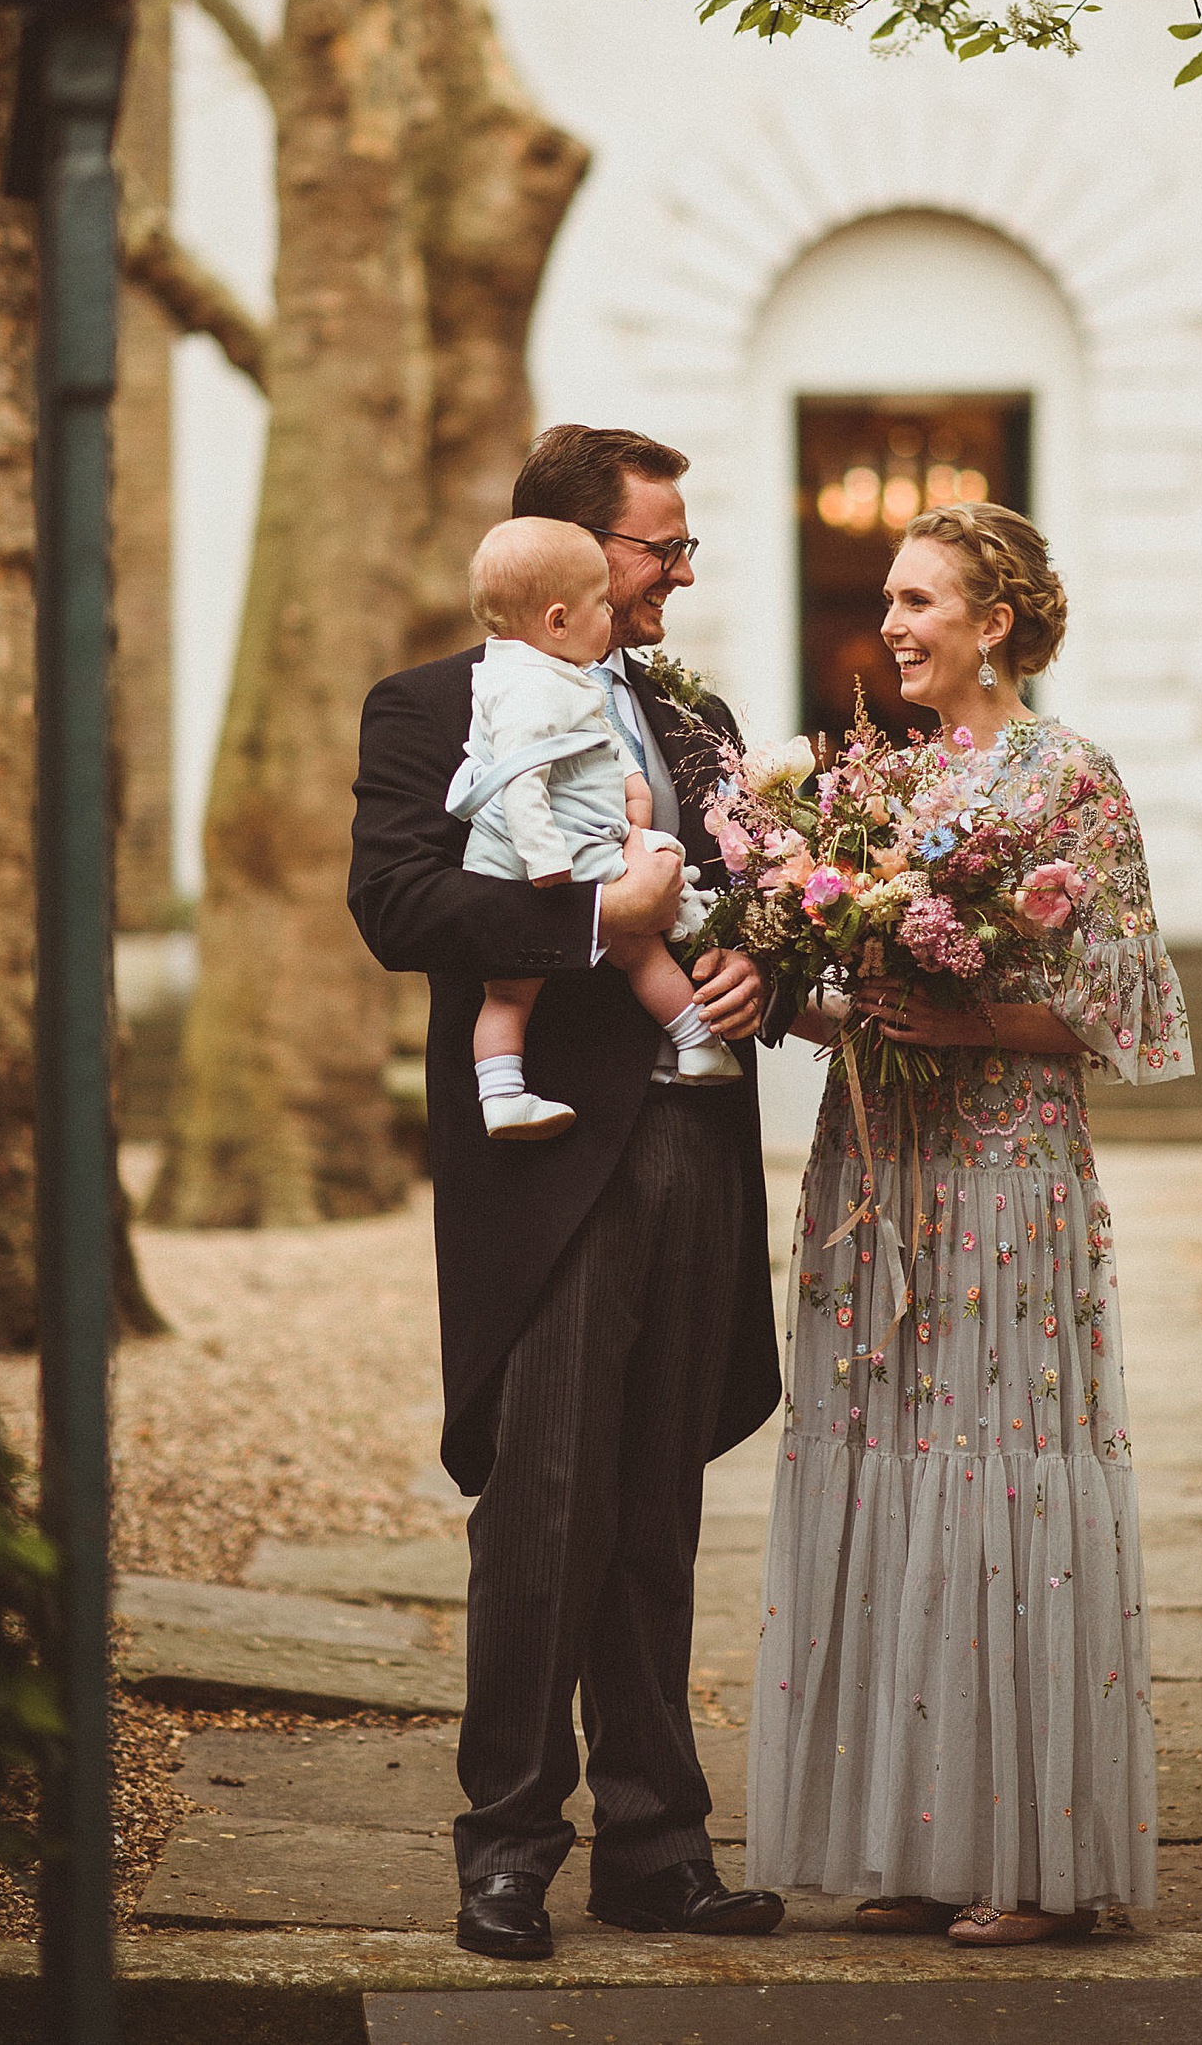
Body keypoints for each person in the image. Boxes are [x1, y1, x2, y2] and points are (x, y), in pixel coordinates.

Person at [348, 425, 785, 1962]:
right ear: (575, 551)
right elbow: (397, 897)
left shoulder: (697, 712)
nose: (681, 568)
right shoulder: (430, 706)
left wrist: (751, 968)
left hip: (695, 1144)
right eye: (661, 544)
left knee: (659, 1502)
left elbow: (767, 893)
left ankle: (658, 1846)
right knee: (544, 1503)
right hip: (548, 1157)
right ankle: (510, 1846)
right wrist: (597, 920)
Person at [747, 501, 1192, 1944]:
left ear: (996, 622)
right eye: (887, 598)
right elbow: (856, 984)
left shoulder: (1072, 777)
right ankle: (915, 1836)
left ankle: (1033, 1855)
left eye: (922, 598)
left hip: (1007, 1171)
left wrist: (958, 1010)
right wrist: (787, 984)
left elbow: (1111, 1011)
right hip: (877, 1171)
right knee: (883, 1458)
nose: (893, 622)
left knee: (1004, 1469)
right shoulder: (862, 785)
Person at [449, 515, 740, 1141]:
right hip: (547, 864)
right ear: (558, 619)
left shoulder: (671, 703)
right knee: (621, 952)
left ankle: (694, 1046)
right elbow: (520, 778)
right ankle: (504, 1094)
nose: (684, 570)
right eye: (664, 549)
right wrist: (564, 877)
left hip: (708, 1135)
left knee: (551, 981)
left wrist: (756, 956)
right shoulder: (520, 688)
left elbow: (603, 746)